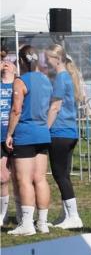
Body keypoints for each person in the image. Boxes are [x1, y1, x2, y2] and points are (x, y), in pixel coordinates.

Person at [5, 46, 53, 235]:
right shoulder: (46, 80)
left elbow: (16, 110)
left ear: (22, 61)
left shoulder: (20, 81)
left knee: (23, 179)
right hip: (42, 133)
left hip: (25, 133)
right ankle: (42, 222)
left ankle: (26, 224)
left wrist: (9, 134)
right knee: (40, 178)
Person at [45, 45, 85, 229]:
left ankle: (74, 216)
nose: (46, 61)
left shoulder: (61, 78)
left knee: (60, 175)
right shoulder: (67, 76)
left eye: (48, 58)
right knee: (64, 175)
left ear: (57, 59)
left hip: (60, 132)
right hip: (69, 131)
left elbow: (55, 106)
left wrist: (45, 129)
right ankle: (66, 214)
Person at [1, 54, 16, 227]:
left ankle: (22, 214)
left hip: (17, 135)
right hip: (0, 135)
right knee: (3, 177)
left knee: (19, 178)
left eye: (10, 62)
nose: (6, 64)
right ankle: (3, 215)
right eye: (3, 62)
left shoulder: (18, 84)